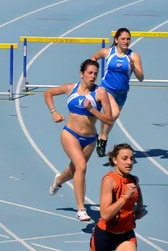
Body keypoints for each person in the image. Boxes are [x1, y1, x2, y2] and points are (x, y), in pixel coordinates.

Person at [44, 59, 114, 221]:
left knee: (75, 169)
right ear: (82, 74)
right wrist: (54, 112)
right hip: (70, 134)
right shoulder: (71, 88)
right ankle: (81, 209)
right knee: (81, 166)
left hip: (89, 139)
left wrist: (92, 110)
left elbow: (109, 120)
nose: (93, 76)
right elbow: (48, 93)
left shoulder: (100, 93)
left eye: (95, 73)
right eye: (90, 73)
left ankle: (59, 180)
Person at [91, 28, 144, 157]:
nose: (126, 41)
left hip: (122, 93)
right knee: (113, 114)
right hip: (106, 89)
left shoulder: (133, 56)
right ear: (116, 40)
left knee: (111, 119)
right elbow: (94, 58)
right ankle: (102, 138)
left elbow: (141, 77)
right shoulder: (108, 52)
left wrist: (133, 68)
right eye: (123, 39)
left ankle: (102, 137)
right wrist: (92, 74)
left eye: (128, 39)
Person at [89, 143, 146, 251]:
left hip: (127, 235)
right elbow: (105, 215)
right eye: (124, 159)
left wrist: (140, 209)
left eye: (131, 159)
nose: (129, 162)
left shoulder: (134, 180)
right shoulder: (109, 180)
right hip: (106, 235)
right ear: (115, 160)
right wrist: (125, 197)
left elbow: (139, 196)